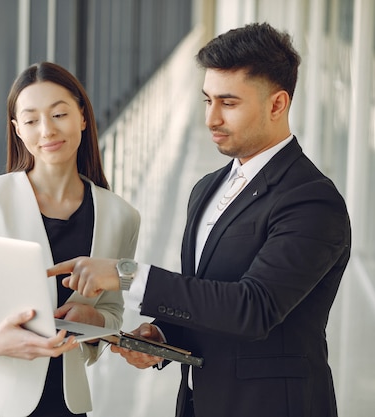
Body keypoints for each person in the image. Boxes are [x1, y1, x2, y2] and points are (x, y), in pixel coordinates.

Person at [48, 22, 351, 417]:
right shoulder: (207, 188)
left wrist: (127, 275)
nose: (211, 118)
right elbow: (208, 295)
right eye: (207, 100)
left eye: (228, 103)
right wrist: (161, 336)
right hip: (199, 403)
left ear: (277, 104)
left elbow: (253, 308)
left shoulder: (311, 200)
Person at [0, 61, 140, 417]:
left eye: (59, 114)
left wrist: (88, 321)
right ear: (17, 130)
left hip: (63, 402)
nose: (47, 130)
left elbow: (112, 313)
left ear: (82, 117)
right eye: (31, 120)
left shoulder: (121, 216)